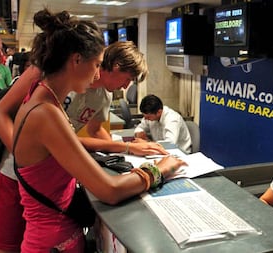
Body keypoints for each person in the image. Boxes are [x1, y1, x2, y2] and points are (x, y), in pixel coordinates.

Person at [10, 8, 186, 253]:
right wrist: (159, 169)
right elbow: (110, 190)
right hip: (53, 242)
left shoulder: (41, 102)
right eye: (95, 64)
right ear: (76, 60)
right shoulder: (46, 114)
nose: (96, 73)